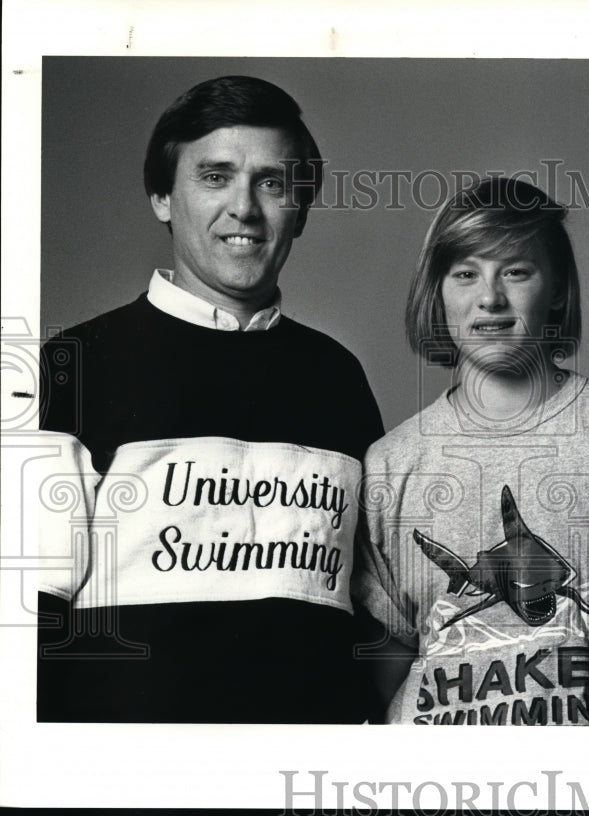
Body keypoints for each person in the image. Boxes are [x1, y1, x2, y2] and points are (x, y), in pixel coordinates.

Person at [36, 76, 384, 722]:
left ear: (300, 209)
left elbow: (372, 617)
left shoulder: (340, 380)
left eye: (273, 183)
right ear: (163, 197)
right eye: (216, 177)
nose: (245, 208)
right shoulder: (73, 367)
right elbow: (26, 620)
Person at [354, 177, 589, 726]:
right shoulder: (389, 466)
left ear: (556, 288)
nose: (490, 298)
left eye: (516, 271)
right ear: (438, 291)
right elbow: (385, 673)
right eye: (465, 274)